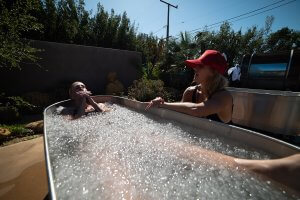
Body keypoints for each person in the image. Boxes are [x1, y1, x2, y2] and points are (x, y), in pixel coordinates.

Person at [146, 50, 233, 123]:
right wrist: (160, 102)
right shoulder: (190, 92)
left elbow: (197, 110)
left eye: (201, 66)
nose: (195, 68)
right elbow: (179, 113)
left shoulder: (225, 97)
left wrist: (163, 105)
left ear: (213, 72)